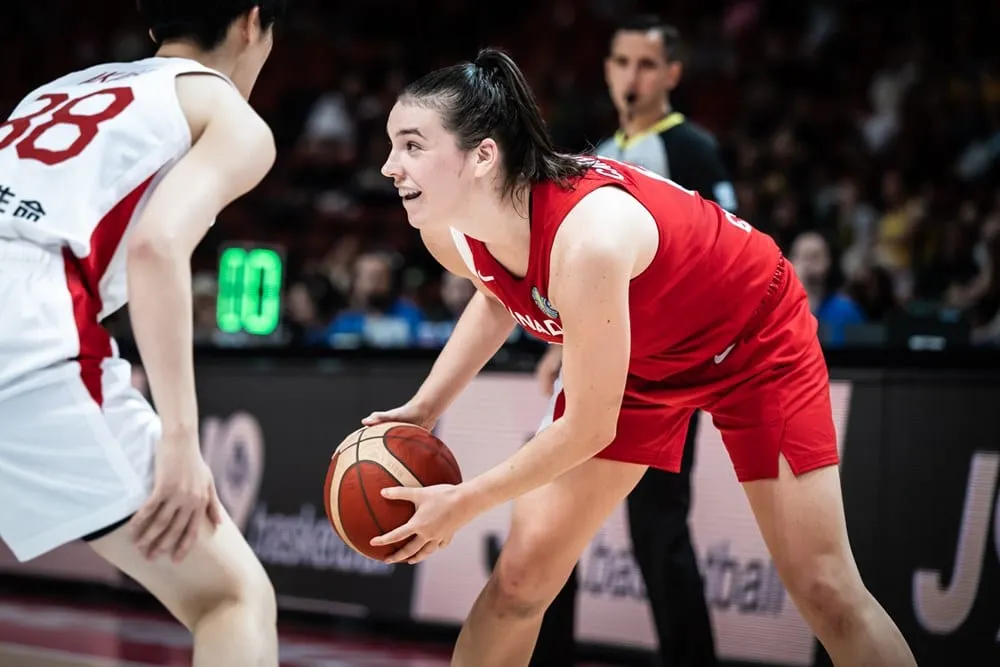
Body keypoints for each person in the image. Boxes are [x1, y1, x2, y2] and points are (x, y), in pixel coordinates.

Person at [366, 48, 916, 667]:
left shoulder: (590, 237)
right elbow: (497, 297)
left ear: (483, 156)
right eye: (391, 145)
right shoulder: (446, 228)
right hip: (641, 362)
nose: (390, 167)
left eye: (412, 146)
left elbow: (589, 427)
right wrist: (425, 405)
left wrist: (465, 501)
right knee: (520, 579)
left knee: (826, 591)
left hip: (753, 341)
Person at [0, 2, 284, 665]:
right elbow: (156, 248)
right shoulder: (230, 117)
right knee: (231, 597)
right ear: (252, 23)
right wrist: (181, 439)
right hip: (28, 334)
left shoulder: (57, 89)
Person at [533, 16, 731, 667]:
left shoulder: (694, 149)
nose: (631, 76)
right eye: (621, 62)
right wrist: (562, 343)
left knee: (657, 530)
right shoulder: (596, 154)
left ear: (672, 73)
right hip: (594, 363)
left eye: (646, 64)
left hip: (665, 371)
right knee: (551, 522)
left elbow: (724, 254)